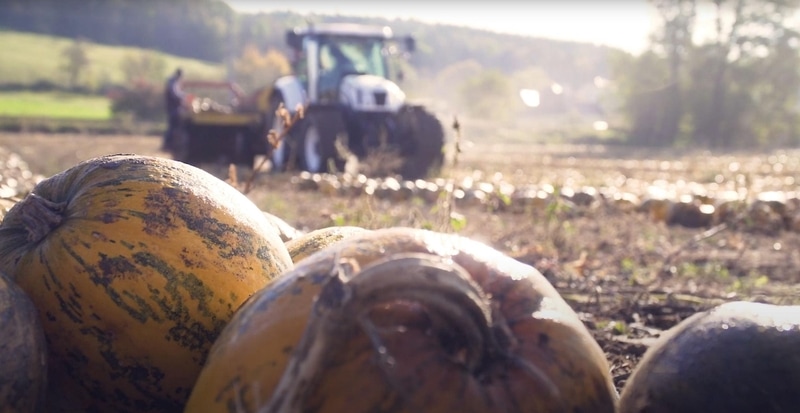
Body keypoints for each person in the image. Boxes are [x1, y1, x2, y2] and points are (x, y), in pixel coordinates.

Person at [162, 68, 186, 151]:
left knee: (173, 126)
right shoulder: (173, 82)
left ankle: (169, 144)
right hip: (173, 108)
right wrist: (184, 97)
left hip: (172, 107)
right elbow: (175, 94)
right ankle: (168, 145)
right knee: (173, 126)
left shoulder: (172, 81)